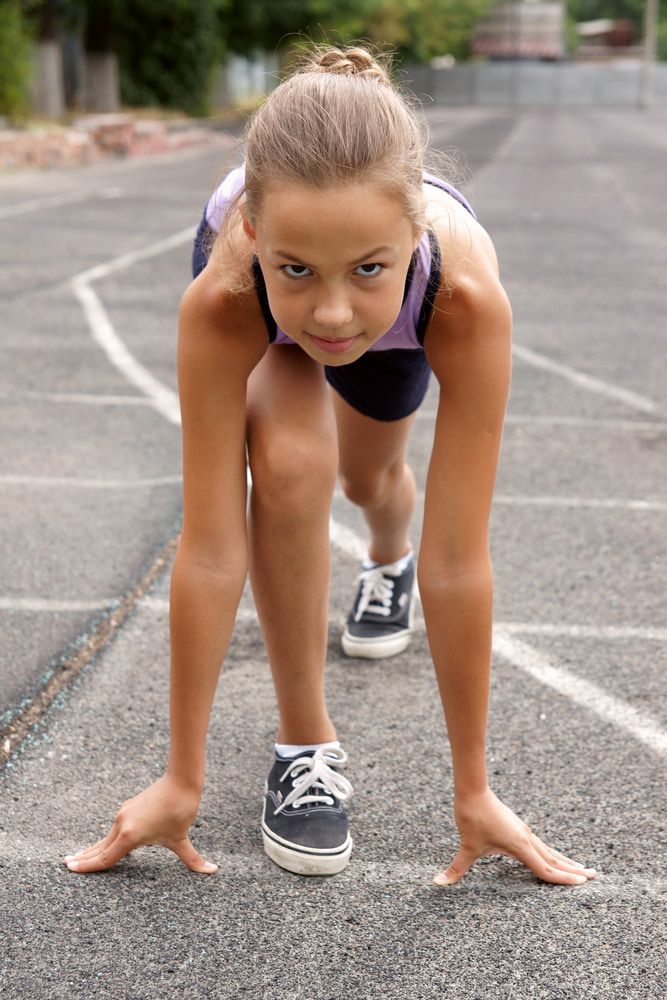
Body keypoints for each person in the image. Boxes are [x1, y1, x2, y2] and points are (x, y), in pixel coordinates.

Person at [65, 45, 596, 886]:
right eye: (298, 269)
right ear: (252, 232)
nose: (335, 311)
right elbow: (207, 546)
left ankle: (383, 555)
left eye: (366, 269)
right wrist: (181, 776)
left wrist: (475, 790)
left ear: (413, 231)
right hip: (261, 314)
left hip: (411, 316)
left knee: (367, 479)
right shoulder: (224, 295)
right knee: (288, 466)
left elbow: (459, 560)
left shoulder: (462, 299)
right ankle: (305, 744)